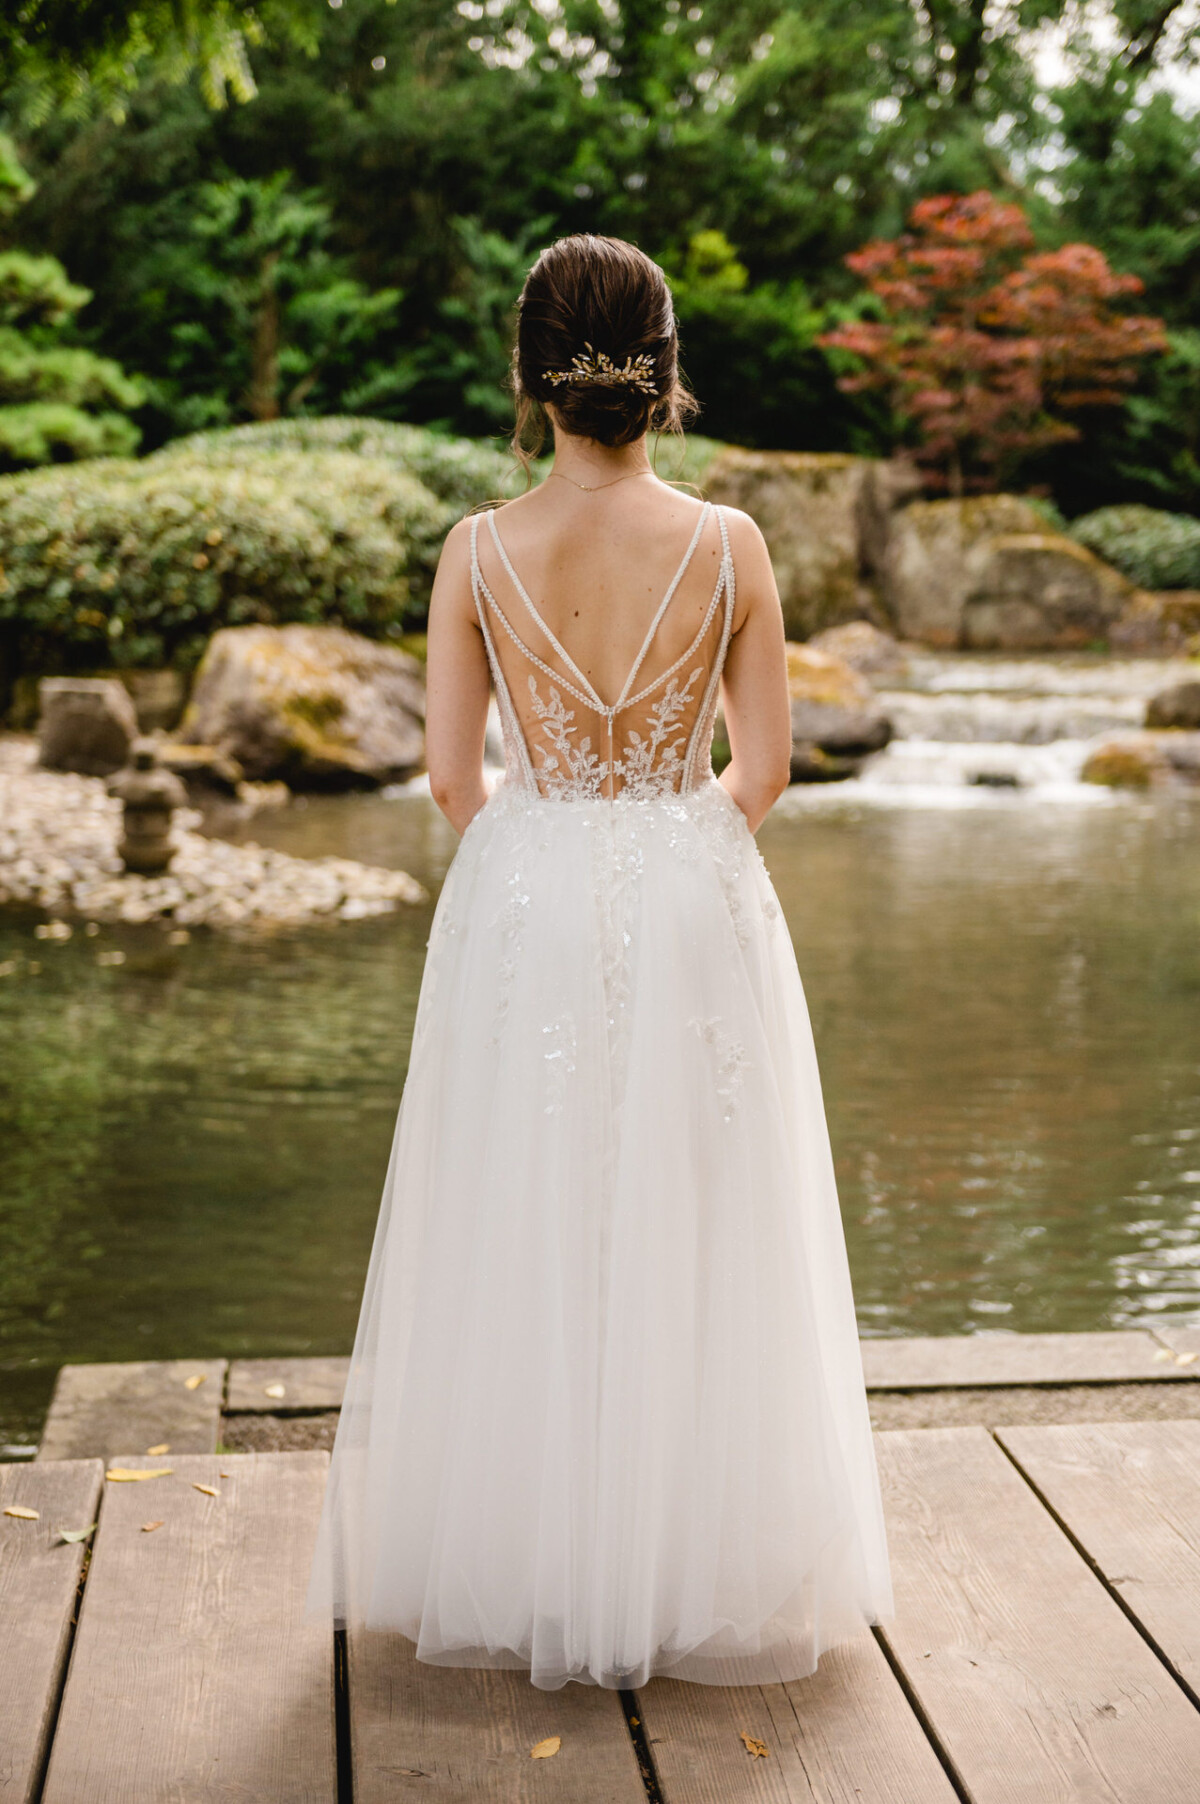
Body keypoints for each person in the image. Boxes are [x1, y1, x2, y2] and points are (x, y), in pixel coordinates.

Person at [306, 233, 892, 1690]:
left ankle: (529, 1551)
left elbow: (450, 781)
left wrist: (554, 857)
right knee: (699, 1215)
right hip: (692, 894)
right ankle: (694, 1555)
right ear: (664, 370)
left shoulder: (476, 550)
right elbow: (762, 770)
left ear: (530, 375)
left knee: (525, 1208)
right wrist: (669, 852)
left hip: (528, 890)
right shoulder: (732, 546)